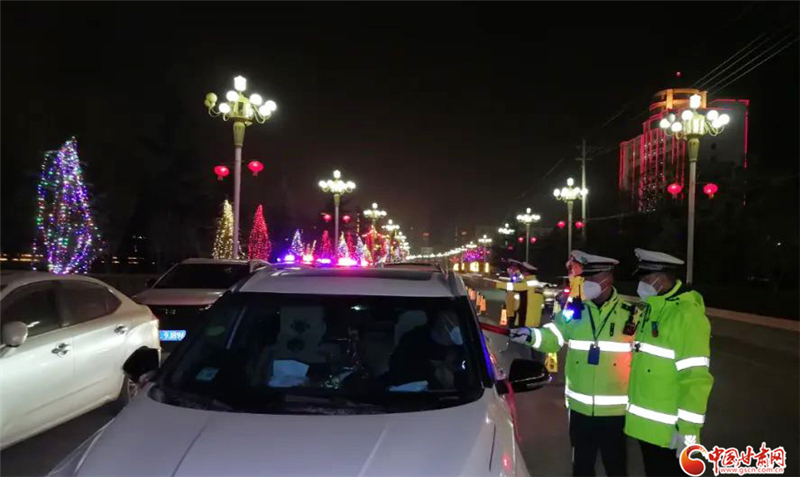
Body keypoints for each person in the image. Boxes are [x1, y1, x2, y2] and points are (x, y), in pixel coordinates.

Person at [511, 250, 637, 476]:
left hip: (616, 413)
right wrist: (530, 335)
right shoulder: (575, 311)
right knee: (581, 468)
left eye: (594, 277)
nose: (587, 282)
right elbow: (554, 336)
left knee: (616, 468)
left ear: (608, 279)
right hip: (580, 410)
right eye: (585, 277)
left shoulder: (631, 315)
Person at [625, 249, 714, 477]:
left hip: (670, 434)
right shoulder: (652, 309)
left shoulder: (686, 316)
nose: (641, 284)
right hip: (647, 430)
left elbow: (695, 379)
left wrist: (689, 435)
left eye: (646, 278)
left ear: (661, 279)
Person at [388, 311, 465, 390]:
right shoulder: (411, 342)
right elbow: (399, 378)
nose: (459, 322)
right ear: (442, 317)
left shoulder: (466, 343)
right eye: (454, 317)